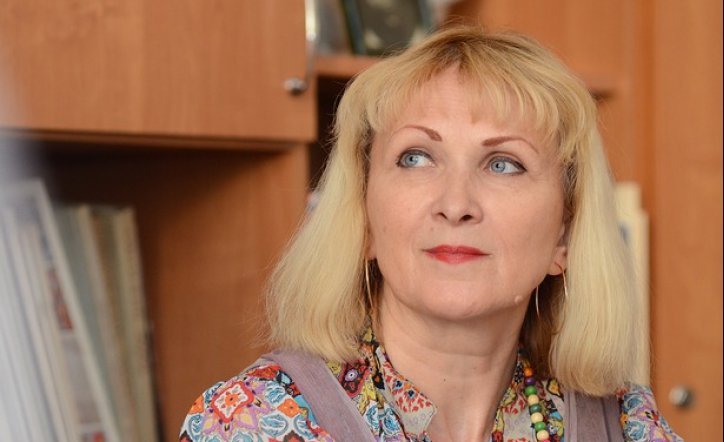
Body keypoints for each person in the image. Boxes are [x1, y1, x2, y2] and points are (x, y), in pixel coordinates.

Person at [180, 26, 682, 441]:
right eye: (416, 158)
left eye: (503, 164)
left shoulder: (629, 424)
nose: (455, 205)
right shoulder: (248, 422)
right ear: (364, 219)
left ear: (564, 236)